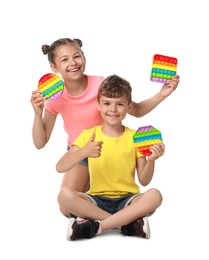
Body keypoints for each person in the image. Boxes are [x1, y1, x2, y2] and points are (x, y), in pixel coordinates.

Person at [30, 38, 179, 217]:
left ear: (84, 57)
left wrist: (162, 94)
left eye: (77, 56)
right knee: (66, 208)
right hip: (81, 153)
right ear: (54, 68)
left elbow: (136, 110)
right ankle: (117, 218)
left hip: (114, 150)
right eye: (64, 60)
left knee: (91, 200)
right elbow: (40, 142)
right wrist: (38, 113)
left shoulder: (101, 85)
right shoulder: (55, 96)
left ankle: (102, 215)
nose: (73, 63)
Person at [56, 74, 165, 240]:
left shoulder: (137, 137)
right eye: (107, 103)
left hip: (128, 200)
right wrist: (83, 152)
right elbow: (60, 166)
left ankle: (97, 226)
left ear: (129, 107)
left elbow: (144, 180)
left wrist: (151, 160)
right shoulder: (89, 135)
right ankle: (124, 223)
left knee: (155, 195)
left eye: (120, 104)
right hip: (96, 200)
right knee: (64, 195)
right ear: (98, 105)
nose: (113, 110)